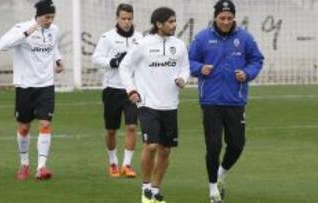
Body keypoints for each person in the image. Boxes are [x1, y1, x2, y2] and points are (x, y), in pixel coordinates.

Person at [189, 0, 264, 202]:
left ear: (234, 18)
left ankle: (221, 173)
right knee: (213, 146)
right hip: (210, 101)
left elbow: (257, 59)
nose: (225, 21)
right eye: (222, 17)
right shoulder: (202, 38)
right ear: (215, 17)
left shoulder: (245, 38)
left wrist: (247, 73)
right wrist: (199, 69)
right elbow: (188, 60)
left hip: (235, 100)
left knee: (237, 145)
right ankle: (213, 189)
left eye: (229, 18)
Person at [119, 7, 190, 203]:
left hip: (171, 105)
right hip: (148, 104)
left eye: (174, 21)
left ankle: (156, 191)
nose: (173, 25)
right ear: (158, 24)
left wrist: (183, 79)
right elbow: (125, 67)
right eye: (170, 22)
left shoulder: (180, 45)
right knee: (151, 146)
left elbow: (185, 68)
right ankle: (146, 189)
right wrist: (131, 90)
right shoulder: (143, 44)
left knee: (165, 150)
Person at [0, 0, 64, 181]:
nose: (50, 20)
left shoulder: (54, 30)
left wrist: (58, 61)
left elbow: (54, 48)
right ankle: (24, 163)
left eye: (52, 17)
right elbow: (3, 44)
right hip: (25, 85)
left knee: (45, 124)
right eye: (47, 17)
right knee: (24, 127)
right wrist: (28, 32)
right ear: (38, 16)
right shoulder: (22, 27)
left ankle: (41, 167)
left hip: (46, 85)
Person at [92, 4, 143, 178]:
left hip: (132, 90)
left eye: (129, 18)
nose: (127, 22)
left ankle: (127, 165)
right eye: (123, 18)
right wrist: (112, 62)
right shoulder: (108, 37)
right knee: (111, 130)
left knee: (131, 126)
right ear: (117, 18)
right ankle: (113, 162)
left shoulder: (140, 38)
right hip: (112, 89)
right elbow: (96, 58)